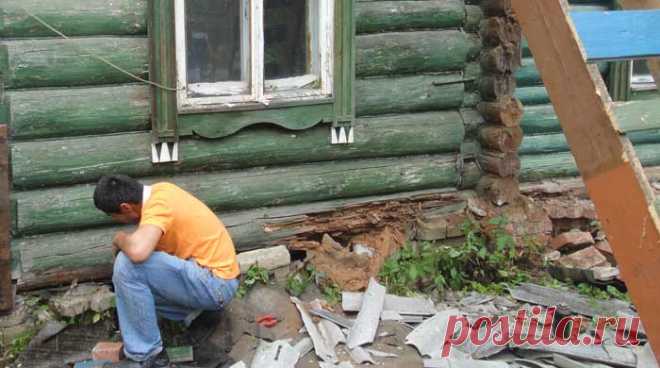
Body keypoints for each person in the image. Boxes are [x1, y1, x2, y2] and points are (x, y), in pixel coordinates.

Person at [93, 175, 240, 368]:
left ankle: (146, 356)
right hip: (213, 281)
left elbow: (137, 252)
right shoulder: (162, 191)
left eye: (115, 217)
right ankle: (194, 317)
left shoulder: (158, 206)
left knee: (127, 264)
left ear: (125, 207)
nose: (119, 222)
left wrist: (119, 238)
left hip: (216, 284)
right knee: (132, 286)